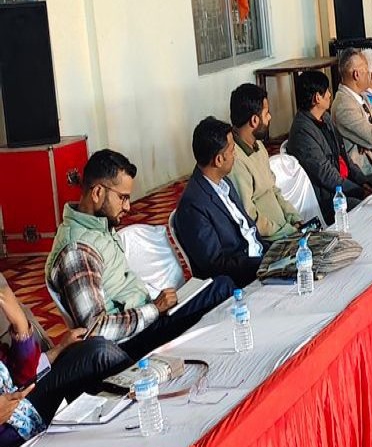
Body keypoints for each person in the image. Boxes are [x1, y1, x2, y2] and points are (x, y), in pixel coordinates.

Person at [46, 149, 233, 361]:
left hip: (145, 320)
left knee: (217, 286)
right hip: (132, 342)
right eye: (122, 198)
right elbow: (96, 329)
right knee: (221, 289)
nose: (128, 207)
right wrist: (154, 309)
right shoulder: (76, 251)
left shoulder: (97, 226)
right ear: (97, 192)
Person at [1, 279, 132, 447]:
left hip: (25, 406)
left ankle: (142, 403)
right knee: (99, 354)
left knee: (97, 351)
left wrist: (20, 325)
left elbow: (21, 376)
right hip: (10, 438)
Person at [172, 116, 265, 287]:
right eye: (232, 150)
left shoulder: (224, 183)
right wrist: (263, 264)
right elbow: (215, 264)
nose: (235, 154)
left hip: (260, 258)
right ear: (219, 160)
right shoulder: (193, 206)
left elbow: (247, 229)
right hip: (243, 278)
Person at [287, 70, 372, 224]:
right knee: (367, 210)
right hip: (329, 198)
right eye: (327, 91)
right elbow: (325, 174)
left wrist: (363, 182)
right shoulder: (302, 132)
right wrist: (359, 191)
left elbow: (343, 156)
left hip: (345, 185)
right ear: (317, 98)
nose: (330, 94)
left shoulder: (325, 118)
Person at [227, 83, 300, 241]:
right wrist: (285, 231)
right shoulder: (235, 161)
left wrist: (293, 217)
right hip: (270, 241)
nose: (270, 117)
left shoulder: (258, 146)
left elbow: (273, 190)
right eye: (266, 114)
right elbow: (249, 216)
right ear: (254, 120)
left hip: (285, 231)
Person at [330, 48, 372, 176]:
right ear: (356, 75)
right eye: (366, 70)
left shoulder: (362, 96)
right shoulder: (343, 106)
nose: (369, 74)